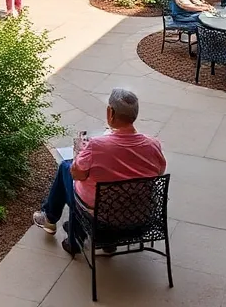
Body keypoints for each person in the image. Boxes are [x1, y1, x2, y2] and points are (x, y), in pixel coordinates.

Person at [33, 88, 166, 255]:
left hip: (102, 221)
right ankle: (94, 239)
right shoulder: (153, 145)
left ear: (110, 112)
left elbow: (77, 175)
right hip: (139, 218)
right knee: (91, 186)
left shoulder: (97, 146)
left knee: (66, 169)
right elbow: (159, 172)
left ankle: (51, 220)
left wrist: (80, 154)